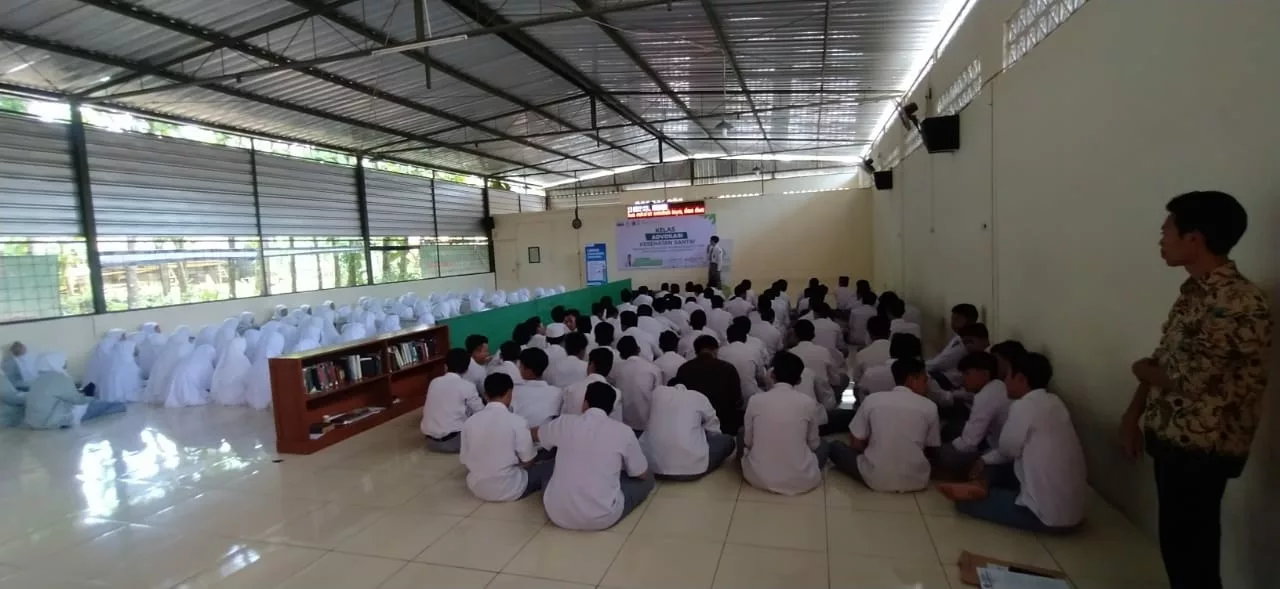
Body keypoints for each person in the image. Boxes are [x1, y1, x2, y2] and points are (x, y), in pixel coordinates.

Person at [1118, 191, 1270, 589]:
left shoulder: (1240, 301)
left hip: (1206, 448)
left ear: (1194, 239)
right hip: (1173, 437)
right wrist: (1133, 413)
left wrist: (1139, 369)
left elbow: (1190, 380)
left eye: (1167, 229)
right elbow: (1162, 361)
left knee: (1195, 556)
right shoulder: (1193, 294)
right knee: (1177, 546)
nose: (1161, 239)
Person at [942, 353, 1086, 534]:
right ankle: (982, 486)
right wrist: (986, 460)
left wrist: (984, 460)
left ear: (1021, 378)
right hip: (1073, 511)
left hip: (1045, 516)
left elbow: (1007, 449)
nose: (1005, 382)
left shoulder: (1024, 405)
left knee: (963, 503)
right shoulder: (1054, 402)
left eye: (1007, 376)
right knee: (993, 465)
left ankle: (982, 489)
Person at [538, 383, 654, 531]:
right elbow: (641, 473)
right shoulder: (624, 432)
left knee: (550, 466)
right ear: (611, 408)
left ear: (585, 403)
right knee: (647, 479)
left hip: (556, 513)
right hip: (601, 517)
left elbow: (538, 434)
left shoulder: (565, 422)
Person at [829, 357, 939, 492]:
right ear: (911, 380)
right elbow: (932, 448)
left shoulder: (873, 400)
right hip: (917, 480)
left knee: (836, 447)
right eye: (925, 381)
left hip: (876, 478)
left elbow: (855, 442)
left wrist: (872, 451)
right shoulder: (930, 407)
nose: (927, 386)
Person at [740, 351, 826, 496]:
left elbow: (748, 442)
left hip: (759, 477)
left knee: (741, 434)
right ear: (799, 380)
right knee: (825, 445)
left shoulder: (756, 400)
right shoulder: (808, 403)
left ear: (772, 375)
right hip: (801, 479)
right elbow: (814, 444)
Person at [460, 373, 555, 502]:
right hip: (511, 488)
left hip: (476, 487)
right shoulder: (518, 422)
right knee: (550, 465)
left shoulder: (470, 422)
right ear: (510, 393)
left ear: (485, 395)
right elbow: (528, 461)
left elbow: (465, 460)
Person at [934, 351, 1009, 479]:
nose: (963, 379)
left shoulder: (985, 397)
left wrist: (943, 447)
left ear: (984, 374)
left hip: (997, 452)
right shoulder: (998, 386)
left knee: (944, 454)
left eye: (967, 374)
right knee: (952, 429)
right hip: (992, 441)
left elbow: (968, 444)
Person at [641, 382, 735, 481]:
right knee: (727, 440)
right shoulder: (699, 398)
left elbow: (647, 421)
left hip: (651, 467)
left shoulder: (657, 393)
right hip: (692, 470)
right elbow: (714, 430)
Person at [24, 353, 125, 429]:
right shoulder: (59, 378)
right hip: (52, 421)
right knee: (115, 405)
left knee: (98, 404)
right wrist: (89, 394)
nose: (65, 364)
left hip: (34, 422)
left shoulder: (37, 379)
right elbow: (78, 400)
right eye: (63, 361)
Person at [674, 335, 744, 435]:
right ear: (715, 350)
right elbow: (737, 399)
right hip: (723, 425)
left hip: (692, 424)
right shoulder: (728, 368)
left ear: (696, 352)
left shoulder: (684, 369)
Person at [422, 348, 485, 453]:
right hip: (455, 442)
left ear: (446, 366)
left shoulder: (434, 382)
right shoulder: (467, 386)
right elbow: (482, 412)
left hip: (431, 442)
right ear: (467, 368)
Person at [788, 320, 843, 407]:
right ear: (813, 334)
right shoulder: (824, 351)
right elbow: (835, 380)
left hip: (796, 401)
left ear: (794, 334)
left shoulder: (790, 353)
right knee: (844, 378)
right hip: (823, 402)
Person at [613, 336, 662, 432]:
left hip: (624, 422)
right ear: (638, 349)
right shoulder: (653, 369)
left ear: (621, 355)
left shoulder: (616, 369)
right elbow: (659, 396)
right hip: (648, 423)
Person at [562, 347, 622, 420]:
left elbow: (563, 417)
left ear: (591, 365)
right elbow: (616, 423)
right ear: (610, 368)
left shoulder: (571, 389)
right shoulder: (617, 394)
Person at [857, 333, 921, 399]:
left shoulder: (869, 374)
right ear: (916, 357)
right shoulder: (921, 378)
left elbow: (860, 394)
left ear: (890, 350)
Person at [512, 348, 564, 429]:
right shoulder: (557, 392)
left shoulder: (513, 390)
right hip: (544, 437)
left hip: (519, 434)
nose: (519, 368)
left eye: (521, 366)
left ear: (529, 371)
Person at [927, 304, 979, 378]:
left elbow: (941, 363)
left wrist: (922, 366)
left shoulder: (968, 343)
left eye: (956, 319)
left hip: (952, 379)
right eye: (952, 319)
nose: (953, 323)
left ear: (970, 321)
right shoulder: (957, 337)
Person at [718, 323, 766, 401]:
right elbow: (760, 376)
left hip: (727, 397)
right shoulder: (754, 351)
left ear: (728, 338)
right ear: (745, 338)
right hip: (750, 396)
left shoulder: (721, 351)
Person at [853, 315, 892, 381]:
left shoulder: (862, 354)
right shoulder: (900, 353)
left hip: (871, 390)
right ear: (889, 333)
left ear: (869, 334)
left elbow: (856, 379)